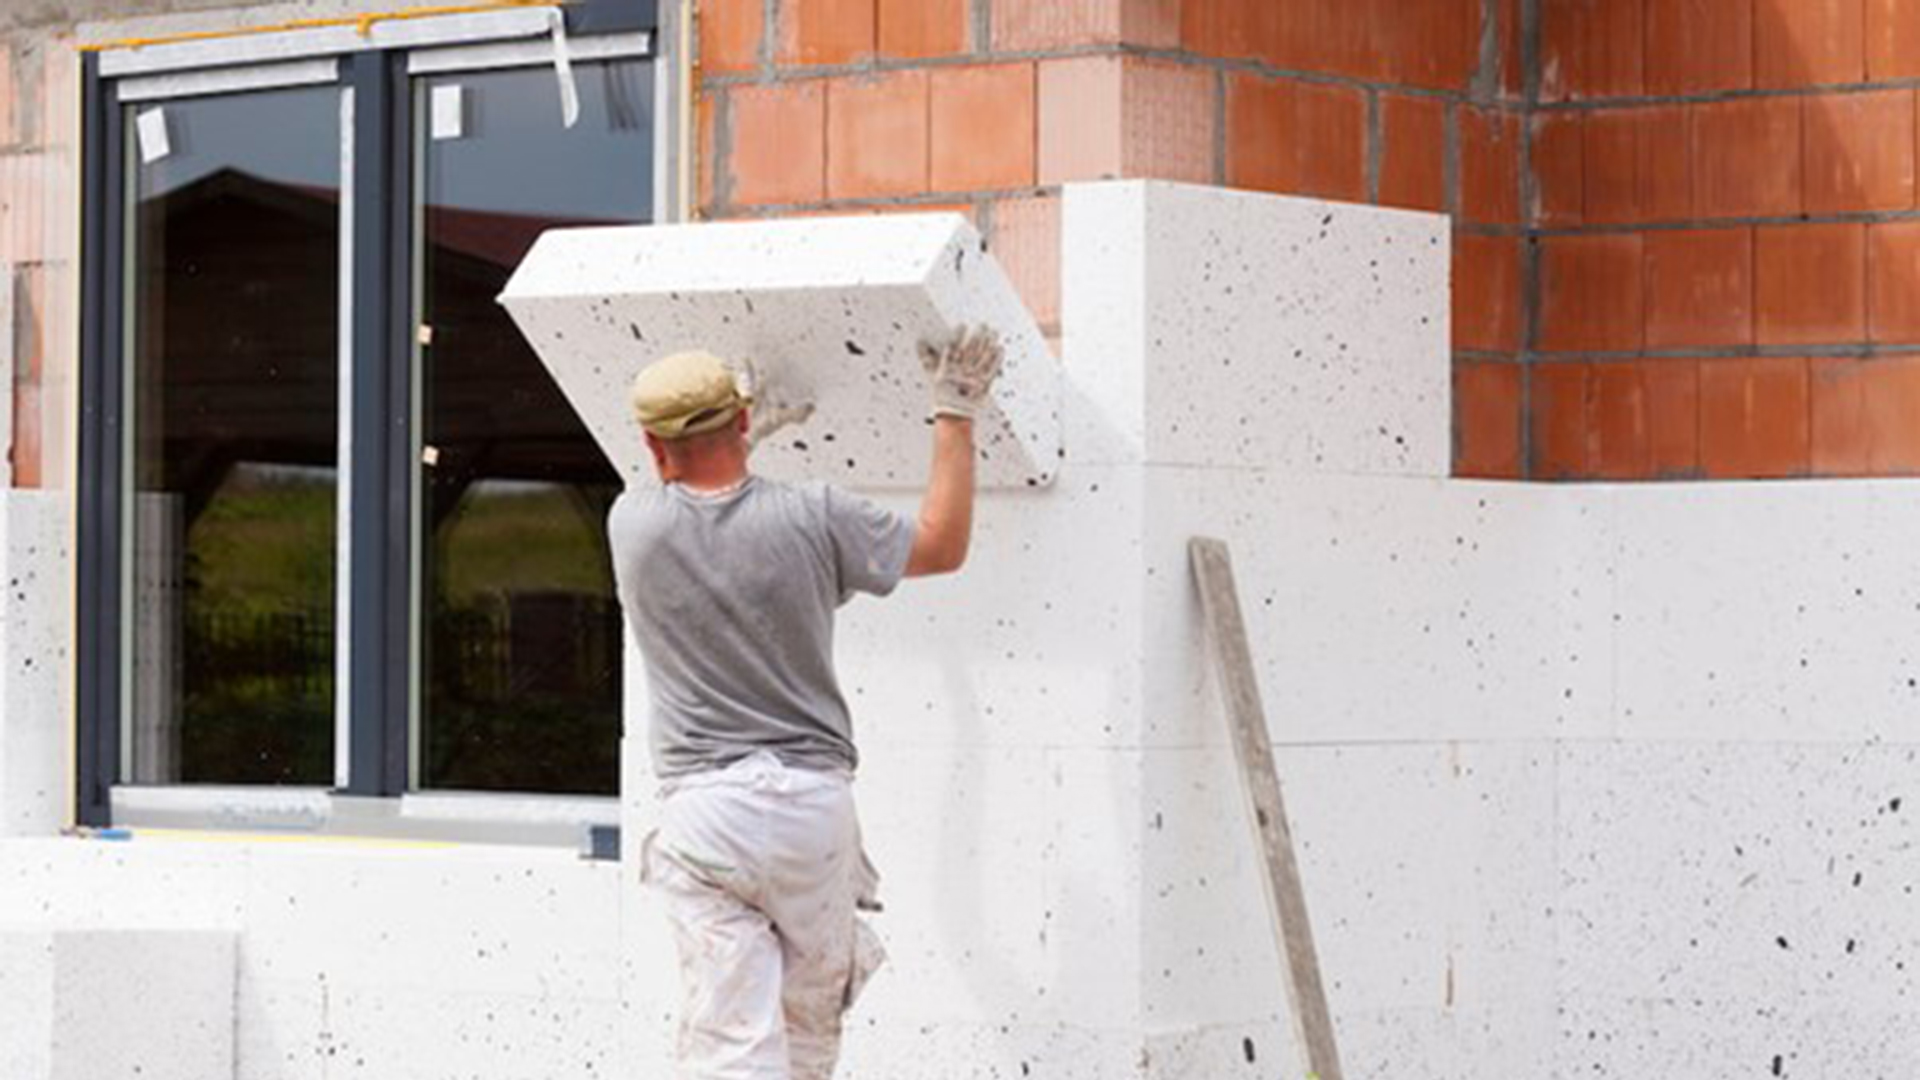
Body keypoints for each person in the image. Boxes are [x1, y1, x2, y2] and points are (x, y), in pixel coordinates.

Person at [608, 326, 1005, 1080]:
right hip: (812, 817)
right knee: (807, 1039)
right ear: (745, 426)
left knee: (731, 1042)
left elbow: (687, 481)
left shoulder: (633, 527)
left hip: (708, 822)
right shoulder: (817, 518)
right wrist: (955, 408)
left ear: (653, 449)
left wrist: (751, 419)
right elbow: (943, 544)